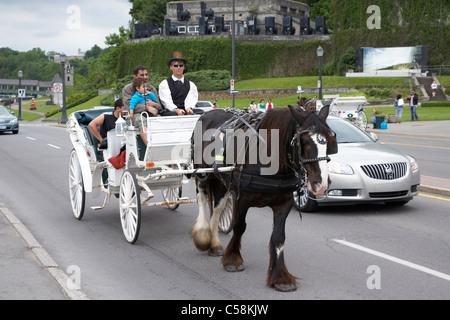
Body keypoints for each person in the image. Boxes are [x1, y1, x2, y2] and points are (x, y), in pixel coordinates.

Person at [158, 51, 204, 116]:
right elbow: (166, 101)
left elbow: (191, 99)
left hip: (186, 111)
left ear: (184, 67)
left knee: (201, 113)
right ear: (171, 67)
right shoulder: (164, 84)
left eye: (181, 65)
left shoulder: (191, 84)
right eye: (176, 65)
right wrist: (176, 110)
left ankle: (199, 126)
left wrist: (189, 108)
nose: (178, 67)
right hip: (171, 112)